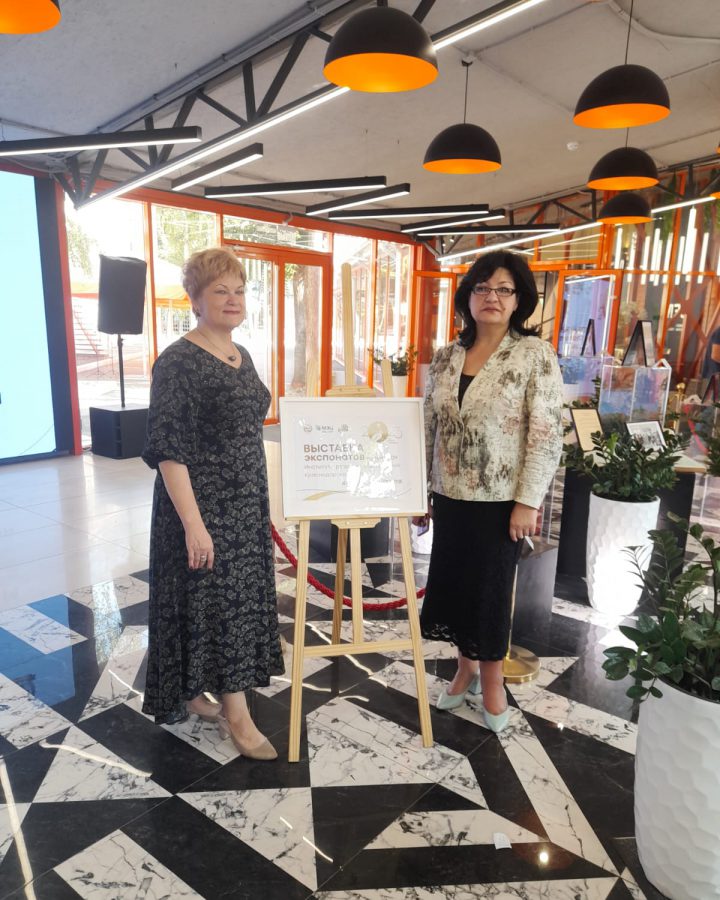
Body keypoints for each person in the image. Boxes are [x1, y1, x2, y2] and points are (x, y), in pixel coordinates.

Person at [142, 247, 283, 760]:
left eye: (239, 290)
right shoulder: (178, 361)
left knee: (224, 603)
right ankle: (237, 714)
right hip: (201, 508)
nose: (233, 299)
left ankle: (196, 687)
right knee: (219, 606)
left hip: (243, 507)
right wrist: (194, 525)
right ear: (195, 300)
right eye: (220, 290)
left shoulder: (240, 353)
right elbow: (168, 451)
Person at [417, 250, 563, 732]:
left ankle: (493, 682)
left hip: (501, 502)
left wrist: (528, 501)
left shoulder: (533, 354)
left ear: (519, 299)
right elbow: (428, 425)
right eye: (482, 287)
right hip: (450, 496)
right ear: (468, 296)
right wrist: (419, 490)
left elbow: (546, 434)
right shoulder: (446, 356)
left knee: (491, 594)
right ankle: (465, 670)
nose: (492, 297)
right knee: (456, 587)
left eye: (504, 289)